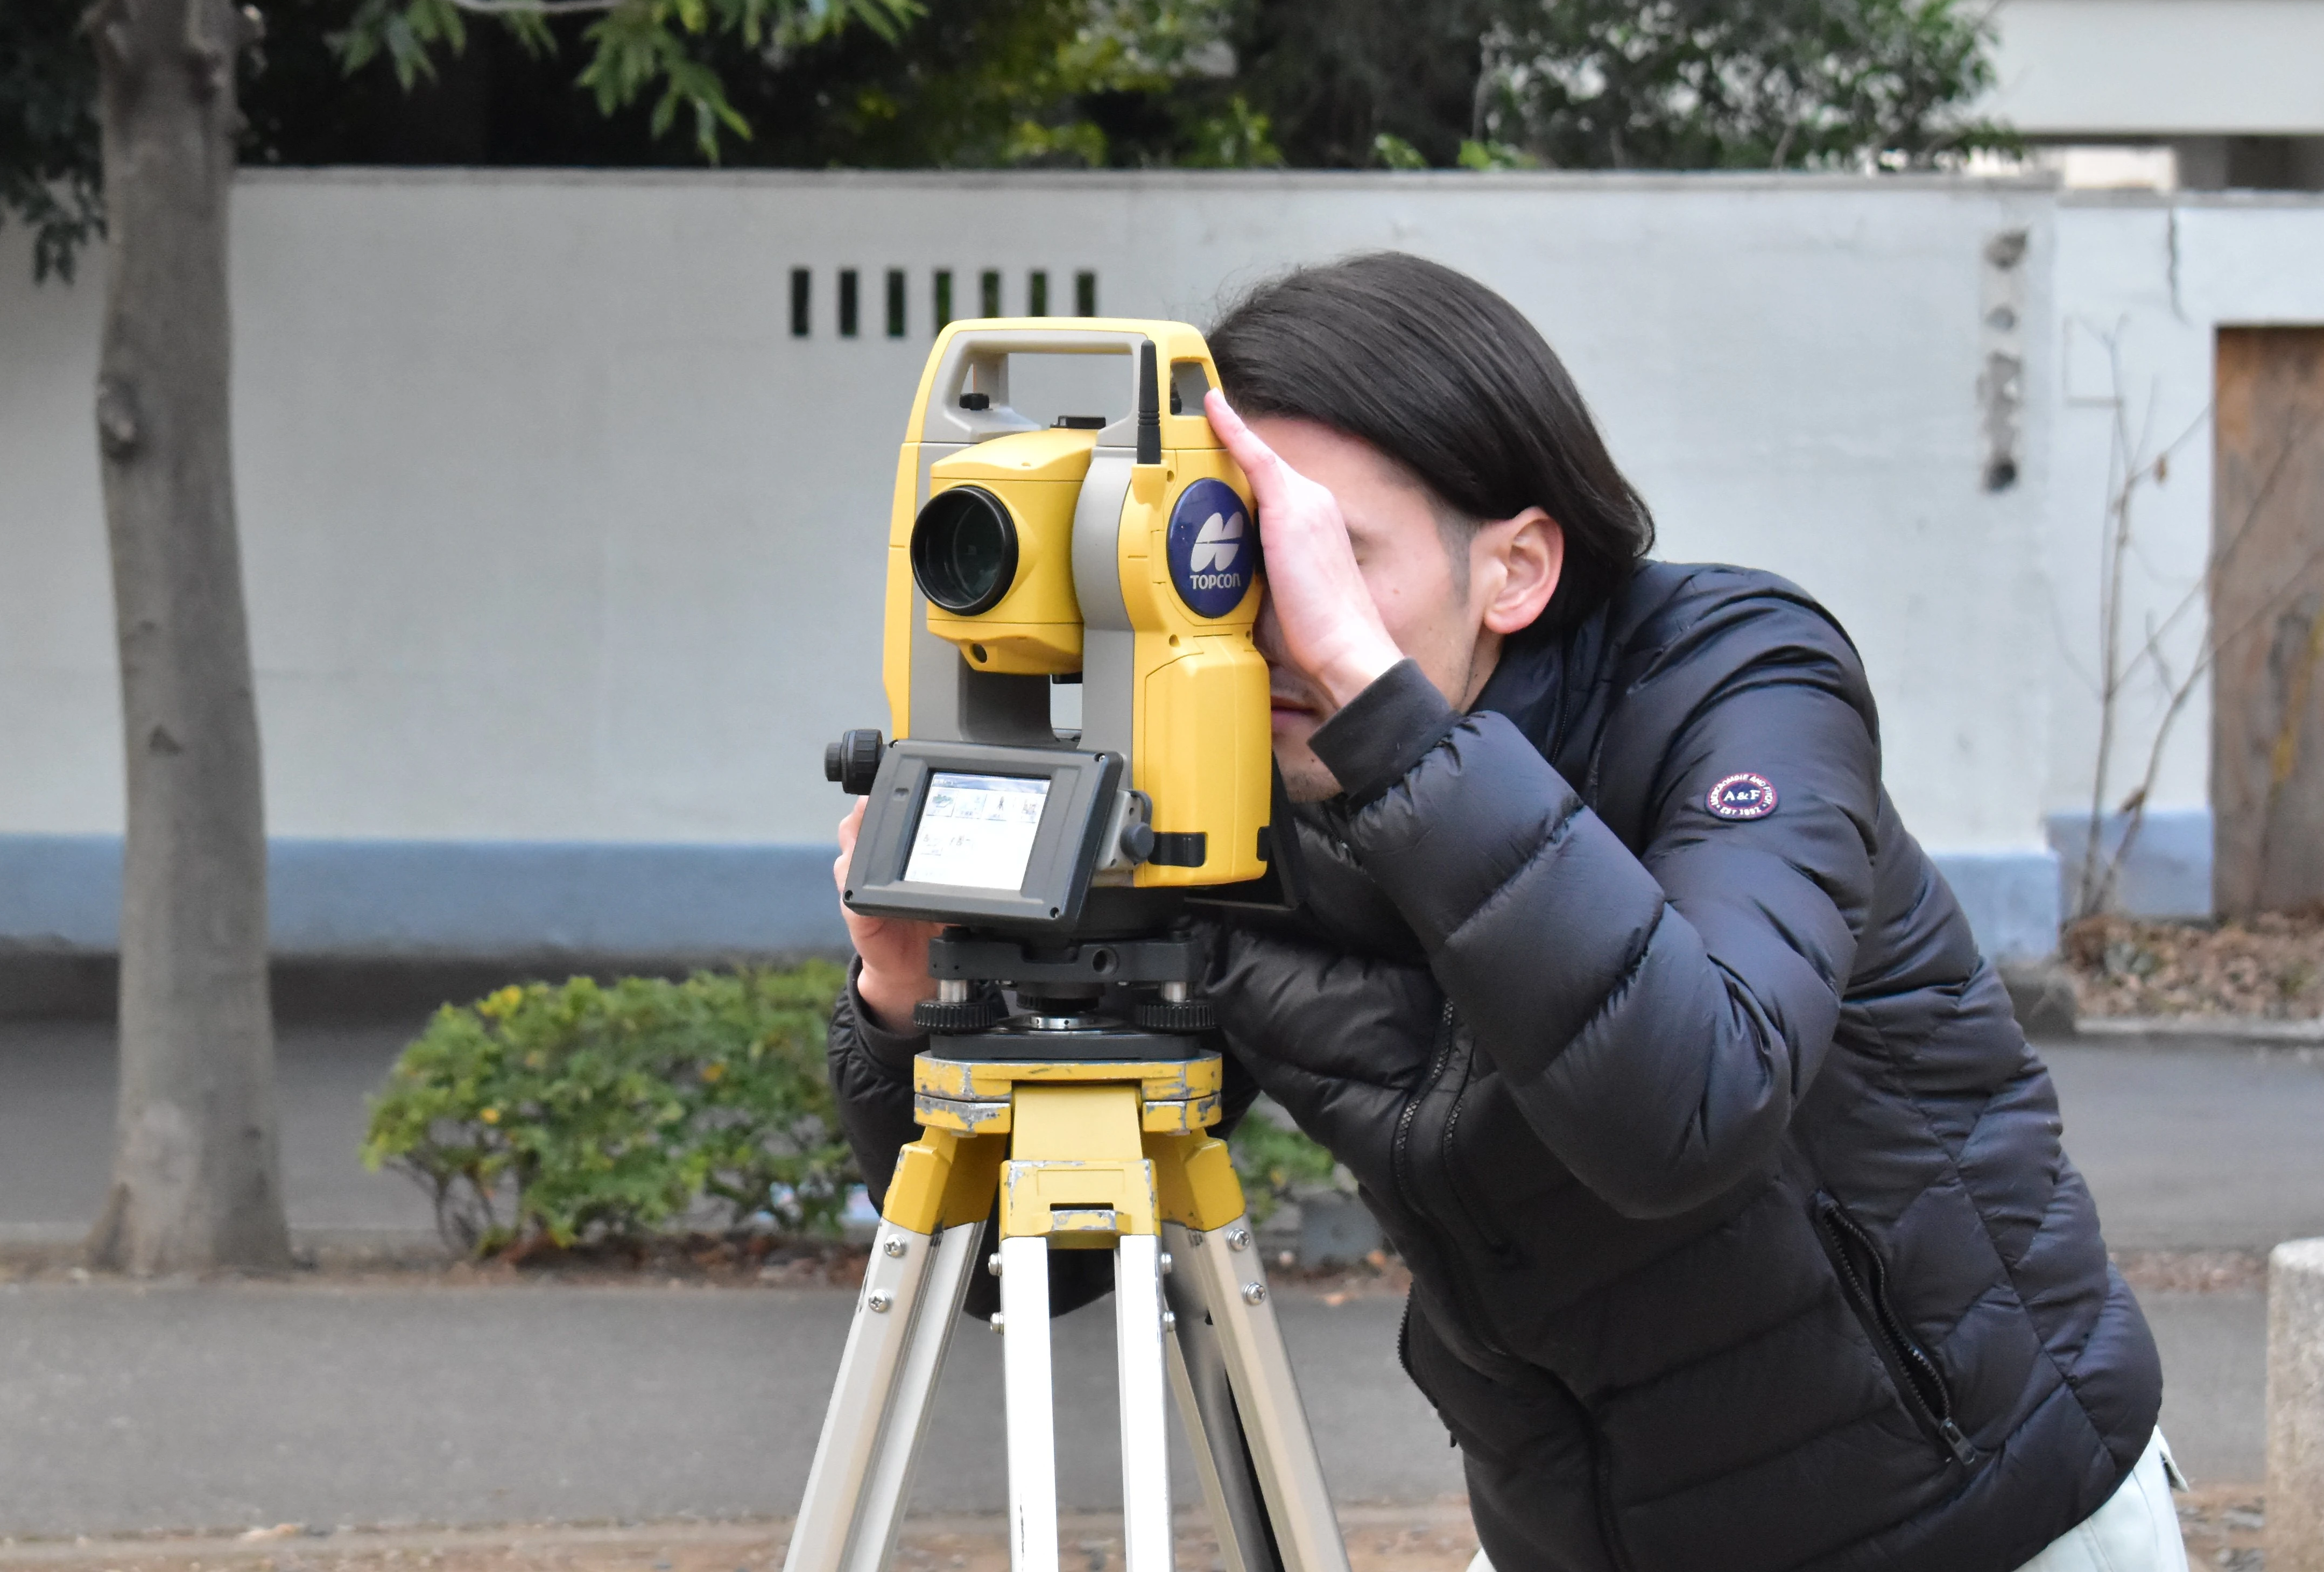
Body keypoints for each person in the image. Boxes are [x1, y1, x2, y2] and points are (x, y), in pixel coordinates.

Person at [825, 255, 2181, 1572]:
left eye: (1332, 560)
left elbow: (1691, 1105)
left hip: (1989, 1516)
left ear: (1518, 568)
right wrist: (901, 1006)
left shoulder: (1736, 683)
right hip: (1587, 1536)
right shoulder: (1223, 782)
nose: (1272, 624)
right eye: (1231, 559)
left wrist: (1375, 705)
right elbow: (1033, 1267)